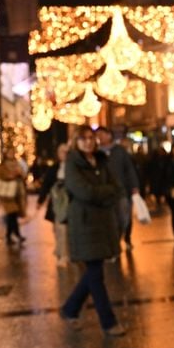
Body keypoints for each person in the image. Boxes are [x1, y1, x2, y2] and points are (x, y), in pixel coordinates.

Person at [60, 125, 125, 336]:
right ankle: (108, 323)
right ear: (75, 142)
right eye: (83, 139)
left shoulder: (101, 160)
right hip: (85, 225)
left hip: (103, 223)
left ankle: (70, 308)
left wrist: (103, 193)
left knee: (93, 272)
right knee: (95, 274)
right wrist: (104, 193)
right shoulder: (72, 163)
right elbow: (84, 192)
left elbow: (117, 188)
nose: (88, 142)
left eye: (91, 138)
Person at [96, 128, 140, 250]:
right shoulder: (96, 152)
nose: (100, 137)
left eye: (102, 135)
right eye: (98, 135)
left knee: (125, 217)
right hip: (105, 192)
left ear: (109, 135)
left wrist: (134, 186)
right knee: (111, 219)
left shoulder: (120, 151)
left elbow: (129, 169)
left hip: (122, 190)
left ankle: (126, 238)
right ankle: (115, 245)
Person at [37, 143, 72, 266]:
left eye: (67, 152)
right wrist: (40, 200)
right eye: (62, 152)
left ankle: (65, 254)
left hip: (71, 203)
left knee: (65, 229)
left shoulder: (74, 167)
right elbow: (46, 184)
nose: (65, 154)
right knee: (58, 229)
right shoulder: (54, 168)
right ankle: (61, 251)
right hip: (57, 203)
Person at [0, 154, 27, 245]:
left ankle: (9, 236)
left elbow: (23, 175)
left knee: (12, 216)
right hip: (7, 194)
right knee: (12, 214)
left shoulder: (17, 166)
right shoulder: (2, 168)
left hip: (15, 194)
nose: (11, 162)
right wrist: (13, 175)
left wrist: (19, 173)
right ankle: (16, 235)